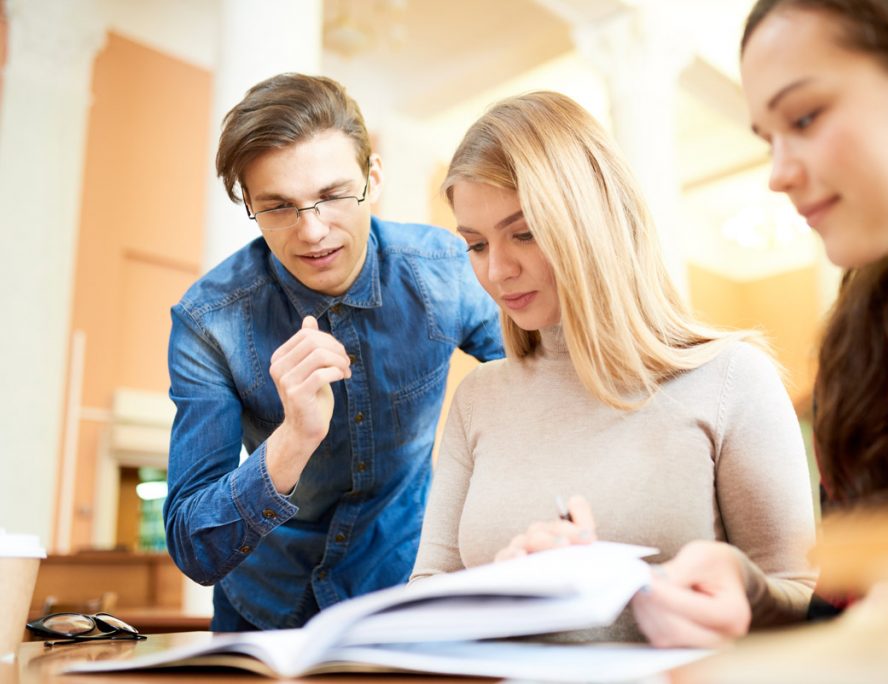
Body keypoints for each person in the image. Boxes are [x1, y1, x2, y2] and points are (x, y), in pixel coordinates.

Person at [636, 0, 888, 646]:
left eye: (806, 118)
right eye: (769, 139)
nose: (779, 175)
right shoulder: (860, 362)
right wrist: (753, 595)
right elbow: (847, 627)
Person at [409, 91, 818, 644]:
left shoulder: (732, 380)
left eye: (524, 233)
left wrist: (734, 593)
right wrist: (499, 591)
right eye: (476, 245)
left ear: (591, 219)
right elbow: (426, 594)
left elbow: (801, 594)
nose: (498, 270)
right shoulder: (479, 397)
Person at [164, 73, 504, 631]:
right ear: (249, 203)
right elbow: (193, 547)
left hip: (404, 594)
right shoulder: (209, 322)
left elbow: (539, 387)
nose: (313, 231)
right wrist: (292, 440)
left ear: (373, 177)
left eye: (332, 195)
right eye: (279, 206)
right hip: (263, 609)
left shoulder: (447, 270)